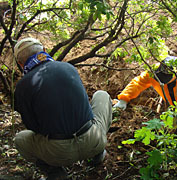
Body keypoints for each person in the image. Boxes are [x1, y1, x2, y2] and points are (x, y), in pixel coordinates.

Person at [13, 37, 112, 180]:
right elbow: (86, 109)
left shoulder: (22, 87)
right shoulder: (68, 67)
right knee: (101, 95)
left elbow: (33, 127)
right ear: (45, 51)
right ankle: (98, 155)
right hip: (93, 140)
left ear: (21, 64)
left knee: (20, 139)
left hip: (58, 153)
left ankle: (56, 173)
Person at [114, 56, 177, 125]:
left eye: (166, 78)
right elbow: (138, 82)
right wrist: (124, 99)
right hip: (172, 97)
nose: (163, 81)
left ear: (176, 74)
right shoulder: (154, 71)